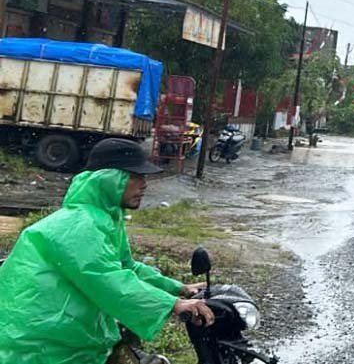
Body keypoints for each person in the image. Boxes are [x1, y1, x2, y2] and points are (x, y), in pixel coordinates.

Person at [0, 138, 215, 364]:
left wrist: (179, 288)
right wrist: (171, 304)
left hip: (68, 336)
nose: (144, 184)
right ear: (109, 180)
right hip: (37, 346)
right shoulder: (78, 224)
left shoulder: (105, 220)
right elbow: (106, 277)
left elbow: (126, 267)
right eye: (134, 176)